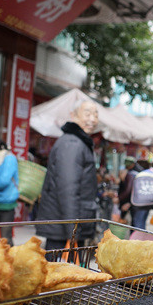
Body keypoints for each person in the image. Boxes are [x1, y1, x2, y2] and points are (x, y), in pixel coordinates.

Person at [35, 100, 99, 251]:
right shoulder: (72, 144)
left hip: (65, 225)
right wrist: (73, 232)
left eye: (95, 114)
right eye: (87, 113)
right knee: (60, 272)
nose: (92, 119)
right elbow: (68, 189)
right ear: (73, 115)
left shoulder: (78, 141)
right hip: (63, 228)